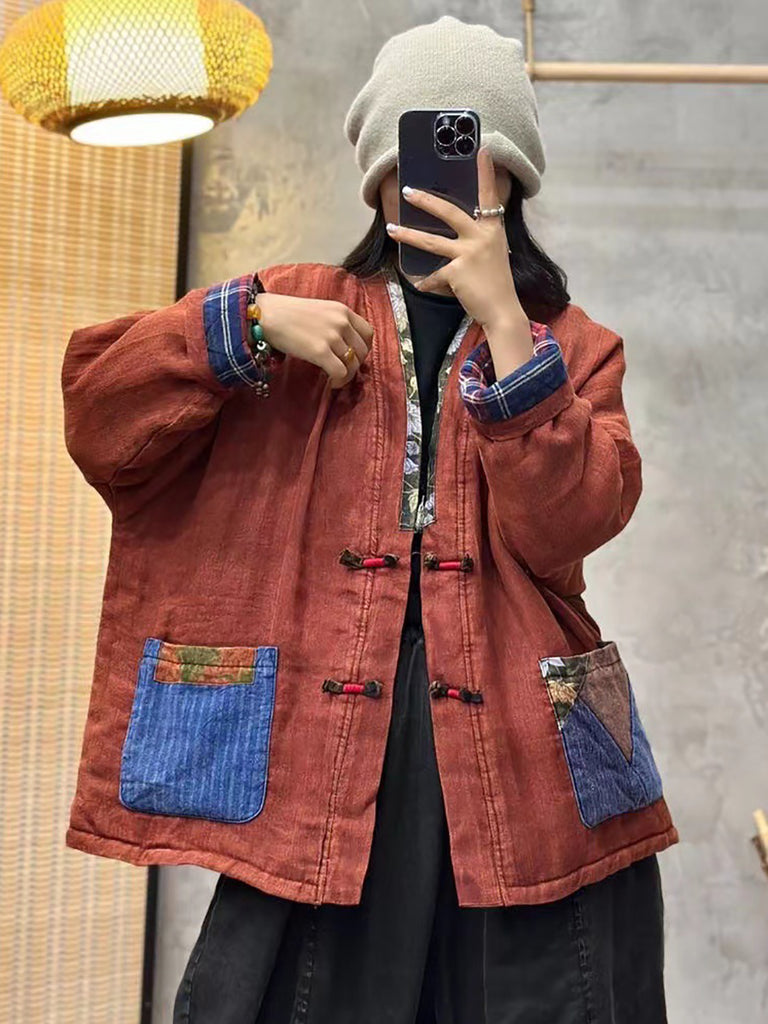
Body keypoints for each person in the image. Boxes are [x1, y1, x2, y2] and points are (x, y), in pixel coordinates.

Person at [61, 15, 678, 1023]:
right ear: (377, 171)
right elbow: (101, 415)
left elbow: (573, 525)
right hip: (328, 747)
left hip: (526, 759)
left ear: (509, 177)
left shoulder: (571, 345)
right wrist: (246, 322)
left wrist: (508, 327)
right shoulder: (294, 308)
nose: (429, 182)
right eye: (408, 156)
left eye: (466, 155)